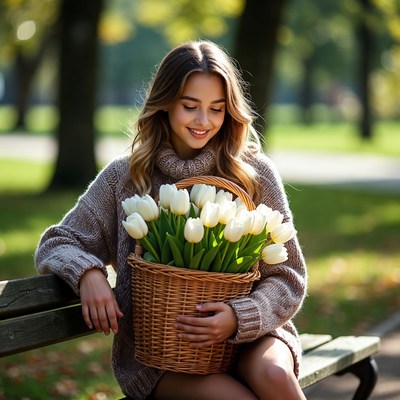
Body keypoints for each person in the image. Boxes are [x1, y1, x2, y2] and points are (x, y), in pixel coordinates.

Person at [35, 40, 307, 400]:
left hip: (253, 333)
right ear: (164, 105)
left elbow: (289, 275)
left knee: (273, 375)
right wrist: (88, 274)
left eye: (217, 109)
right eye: (190, 106)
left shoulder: (253, 173)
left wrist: (240, 316)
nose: (203, 121)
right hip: (163, 357)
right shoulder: (126, 179)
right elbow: (57, 242)